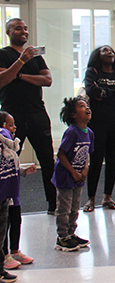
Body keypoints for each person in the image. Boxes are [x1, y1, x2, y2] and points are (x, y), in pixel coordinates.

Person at [0, 19, 57, 218]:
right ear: (8, 32)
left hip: (37, 114)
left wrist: (21, 76)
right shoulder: (3, 54)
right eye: (18, 28)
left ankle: (53, 203)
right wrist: (21, 62)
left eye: (25, 28)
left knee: (47, 161)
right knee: (8, 162)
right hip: (11, 116)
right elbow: (3, 79)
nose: (23, 31)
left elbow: (47, 80)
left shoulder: (35, 56)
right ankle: (7, 203)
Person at [83, 45, 115, 212]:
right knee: (96, 160)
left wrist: (104, 95)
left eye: (111, 50)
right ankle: (90, 199)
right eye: (105, 50)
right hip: (97, 123)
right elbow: (91, 91)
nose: (109, 52)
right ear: (97, 55)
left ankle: (107, 197)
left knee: (112, 159)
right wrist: (114, 94)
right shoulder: (92, 72)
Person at [52, 97, 93, 252]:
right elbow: (61, 154)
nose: (87, 108)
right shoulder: (71, 132)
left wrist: (84, 170)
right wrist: (73, 172)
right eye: (82, 106)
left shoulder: (89, 133)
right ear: (74, 114)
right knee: (65, 207)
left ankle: (71, 233)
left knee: (75, 206)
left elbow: (86, 154)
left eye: (87, 105)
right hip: (66, 175)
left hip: (78, 176)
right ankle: (62, 237)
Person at [0, 111, 36, 279]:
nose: (14, 128)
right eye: (10, 125)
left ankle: (13, 253)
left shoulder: (10, 150)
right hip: (4, 193)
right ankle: (4, 257)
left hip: (12, 193)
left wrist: (23, 171)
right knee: (2, 227)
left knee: (14, 222)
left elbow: (12, 167)